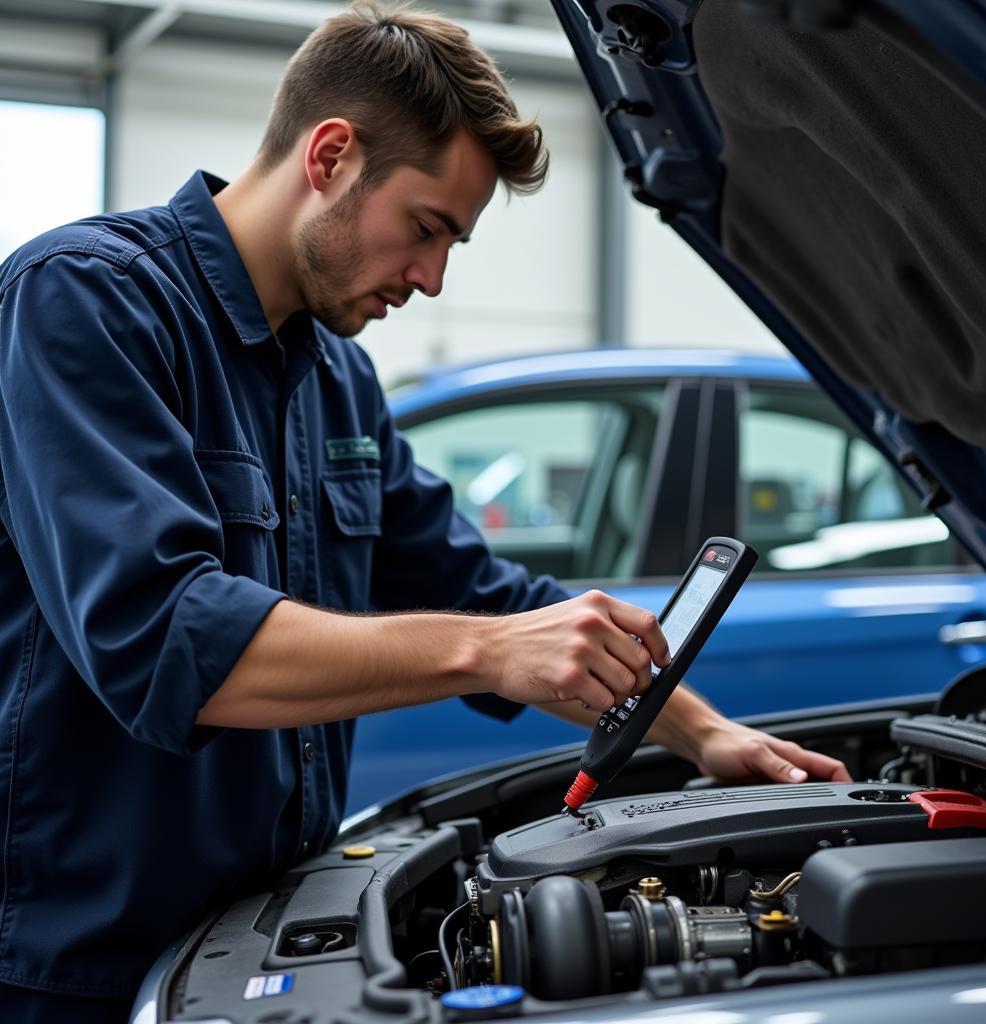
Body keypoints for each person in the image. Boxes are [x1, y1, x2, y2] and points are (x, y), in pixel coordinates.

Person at [0, 4, 850, 1020]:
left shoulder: (335, 379)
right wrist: (486, 652)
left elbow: (481, 590)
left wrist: (704, 732)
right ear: (329, 155)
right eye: (426, 227)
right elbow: (166, 636)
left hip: (253, 937)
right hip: (78, 969)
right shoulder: (84, 302)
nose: (433, 278)